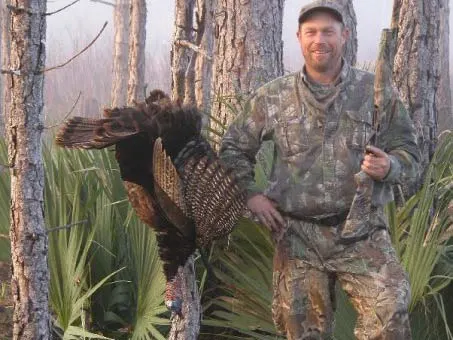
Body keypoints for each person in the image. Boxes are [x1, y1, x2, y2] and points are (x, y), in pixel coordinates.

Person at [219, 1, 420, 339]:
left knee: (390, 311)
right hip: (298, 236)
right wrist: (250, 195)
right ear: (299, 38)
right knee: (301, 331)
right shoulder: (273, 96)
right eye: (311, 32)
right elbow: (232, 149)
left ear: (344, 35)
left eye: (328, 31)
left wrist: (390, 166)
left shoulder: (375, 92)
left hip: (361, 232)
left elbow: (410, 153)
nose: (319, 39)